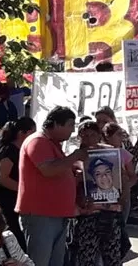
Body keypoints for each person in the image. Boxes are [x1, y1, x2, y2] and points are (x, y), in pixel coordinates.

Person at [17, 108, 84, 266]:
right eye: (70, 125)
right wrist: (74, 157)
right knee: (39, 261)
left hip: (56, 214)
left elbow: (58, 171)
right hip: (40, 215)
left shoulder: (52, 144)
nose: (73, 130)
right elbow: (48, 169)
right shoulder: (38, 141)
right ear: (55, 124)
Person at [72, 122, 121, 266]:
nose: (88, 138)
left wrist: (121, 200)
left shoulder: (111, 153)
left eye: (92, 135)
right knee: (86, 259)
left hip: (110, 213)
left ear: (99, 135)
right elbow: (67, 184)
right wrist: (77, 179)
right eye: (84, 136)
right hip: (87, 214)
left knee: (112, 258)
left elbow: (123, 179)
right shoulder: (74, 157)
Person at [0, 118, 35, 248]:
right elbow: (4, 178)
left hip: (18, 198)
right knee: (14, 234)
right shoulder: (9, 150)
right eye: (32, 133)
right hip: (8, 199)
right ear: (23, 133)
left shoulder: (21, 150)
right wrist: (24, 189)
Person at [100, 123, 137, 258]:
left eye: (122, 134)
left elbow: (133, 176)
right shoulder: (96, 152)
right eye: (118, 135)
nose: (121, 138)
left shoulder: (124, 154)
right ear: (107, 136)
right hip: (101, 198)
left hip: (121, 197)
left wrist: (124, 188)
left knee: (119, 228)